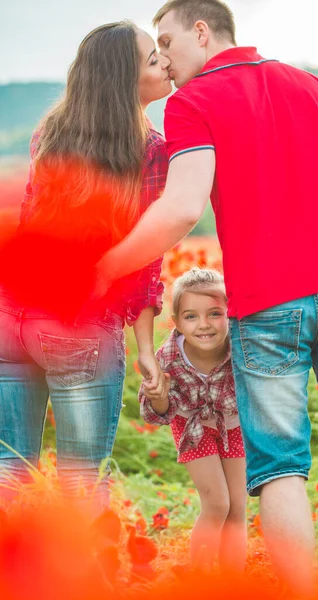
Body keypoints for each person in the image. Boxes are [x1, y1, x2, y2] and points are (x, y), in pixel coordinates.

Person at [94, 0, 318, 593]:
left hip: (267, 305)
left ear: (202, 32)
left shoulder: (193, 102)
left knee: (281, 468)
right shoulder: (316, 87)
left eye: (168, 41)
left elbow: (182, 208)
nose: (162, 59)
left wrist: (108, 265)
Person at [0, 20, 172, 513]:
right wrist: (145, 349)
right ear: (125, 79)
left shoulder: (49, 133)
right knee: (79, 484)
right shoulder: (152, 151)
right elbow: (145, 259)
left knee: (9, 470)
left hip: (11, 316)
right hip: (78, 323)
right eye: (152, 58)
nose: (163, 63)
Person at [139, 268, 247, 573]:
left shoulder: (240, 347)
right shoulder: (168, 357)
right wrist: (157, 392)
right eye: (191, 316)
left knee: (237, 506)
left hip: (233, 422)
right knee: (217, 504)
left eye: (215, 313)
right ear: (176, 321)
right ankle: (199, 580)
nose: (204, 325)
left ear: (230, 313)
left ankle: (232, 582)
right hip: (192, 426)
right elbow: (159, 410)